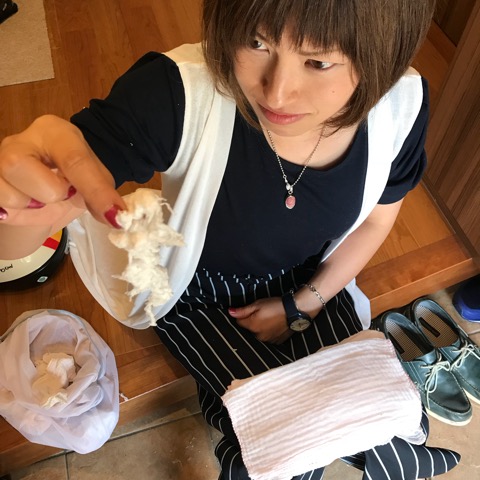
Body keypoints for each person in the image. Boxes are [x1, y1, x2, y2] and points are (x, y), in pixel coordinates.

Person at [0, 0, 462, 478]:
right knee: (274, 453)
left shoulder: (398, 107)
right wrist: (15, 204)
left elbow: (375, 223)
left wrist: (302, 303)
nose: (276, 92)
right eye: (257, 42)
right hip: (198, 288)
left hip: (315, 275)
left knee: (384, 420)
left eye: (318, 61)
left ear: (381, 54)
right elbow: (27, 228)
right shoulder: (177, 92)